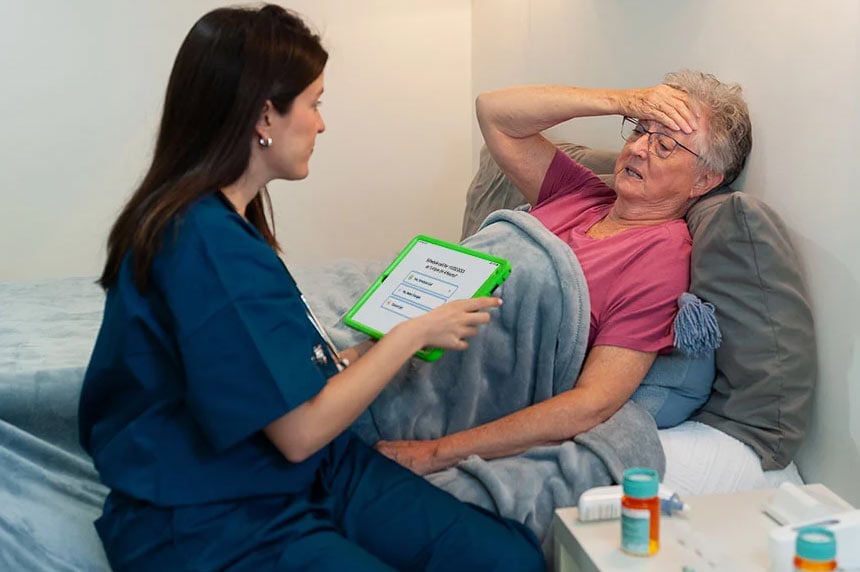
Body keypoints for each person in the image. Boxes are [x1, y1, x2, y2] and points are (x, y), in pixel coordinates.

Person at [77, 5, 545, 571]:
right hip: (212, 507)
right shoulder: (203, 242)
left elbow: (277, 371)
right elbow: (298, 430)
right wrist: (410, 335)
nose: (321, 124)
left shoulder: (229, 221)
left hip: (309, 468)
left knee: (508, 559)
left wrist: (371, 348)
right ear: (263, 116)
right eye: (314, 103)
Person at [375, 71, 752, 475]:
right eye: (639, 130)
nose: (640, 148)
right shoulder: (579, 193)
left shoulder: (660, 257)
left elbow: (593, 403)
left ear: (704, 180)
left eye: (663, 145)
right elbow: (493, 112)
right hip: (402, 315)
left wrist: (438, 453)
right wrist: (621, 100)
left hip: (442, 375)